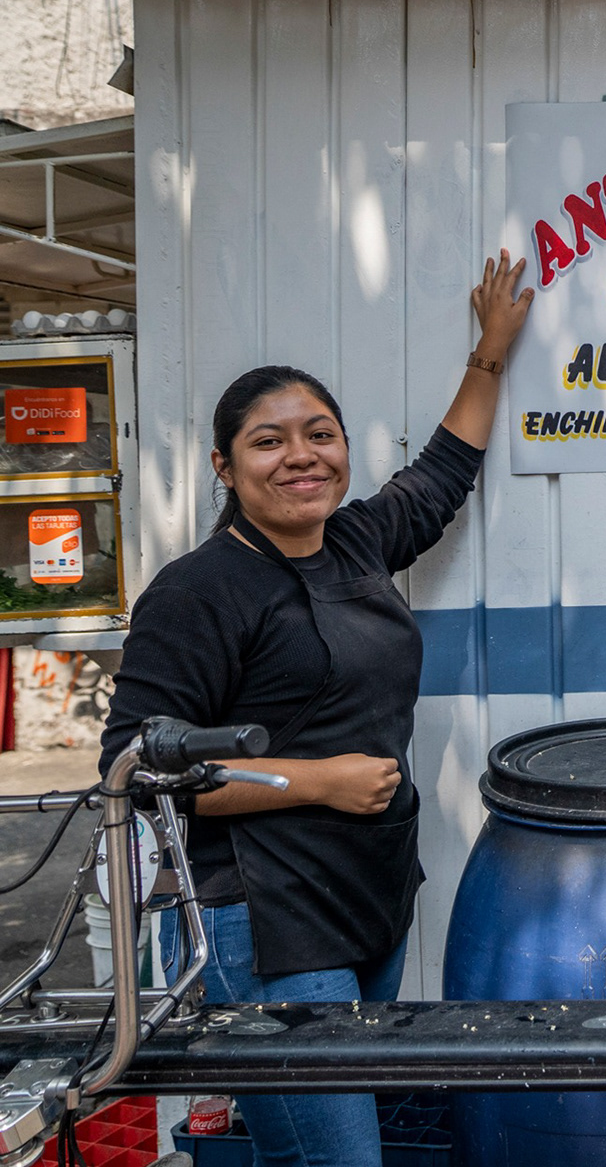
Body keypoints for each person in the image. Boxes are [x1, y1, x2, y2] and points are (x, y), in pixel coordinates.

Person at [98, 251, 533, 1167]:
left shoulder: (356, 543)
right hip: (264, 919)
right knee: (337, 1161)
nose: (301, 456)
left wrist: (490, 352)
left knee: (298, 1150)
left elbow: (443, 471)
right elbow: (133, 771)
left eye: (320, 434)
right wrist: (318, 781)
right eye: (269, 441)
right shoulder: (199, 591)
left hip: (368, 893)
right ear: (223, 466)